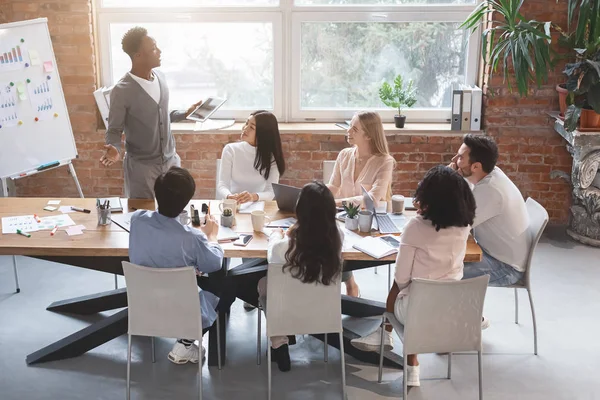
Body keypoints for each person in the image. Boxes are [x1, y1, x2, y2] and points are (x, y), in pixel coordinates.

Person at [350, 165, 476, 387]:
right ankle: (388, 339)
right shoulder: (465, 226)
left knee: (400, 289)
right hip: (453, 309)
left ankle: (387, 335)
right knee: (421, 291)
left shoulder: (416, 227)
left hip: (416, 312)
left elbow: (401, 278)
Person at [129, 167, 223, 364]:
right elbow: (214, 264)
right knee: (221, 280)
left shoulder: (137, 220)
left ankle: (185, 342)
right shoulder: (191, 237)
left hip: (143, 305)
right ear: (186, 202)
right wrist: (211, 236)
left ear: (156, 194)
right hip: (183, 310)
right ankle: (186, 342)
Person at [101, 26, 203, 199]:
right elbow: (114, 129)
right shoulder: (122, 90)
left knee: (175, 211)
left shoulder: (161, 77)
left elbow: (161, 115)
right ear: (138, 56)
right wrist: (115, 148)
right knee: (142, 214)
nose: (160, 51)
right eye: (154, 48)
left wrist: (185, 114)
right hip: (142, 167)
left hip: (171, 160)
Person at [257, 181, 343, 372]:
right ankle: (280, 340)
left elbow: (271, 254)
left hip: (288, 312)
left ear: (299, 211)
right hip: (324, 312)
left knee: (265, 284)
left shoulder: (284, 247)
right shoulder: (338, 238)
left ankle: (279, 341)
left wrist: (277, 235)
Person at [449, 135, 531, 298]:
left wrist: (447, 179)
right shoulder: (487, 174)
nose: (454, 160)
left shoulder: (491, 190)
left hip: (505, 267)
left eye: (460, 157)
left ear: (476, 166)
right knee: (441, 264)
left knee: (442, 274)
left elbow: (455, 224)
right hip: (491, 253)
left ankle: (465, 320)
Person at [327, 111, 394, 298]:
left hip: (370, 224)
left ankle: (348, 287)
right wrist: (317, 194)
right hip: (342, 218)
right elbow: (333, 185)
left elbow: (371, 199)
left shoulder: (385, 162)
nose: (348, 131)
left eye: (354, 129)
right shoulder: (344, 155)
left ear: (368, 135)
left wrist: (334, 203)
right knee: (329, 241)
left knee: (336, 243)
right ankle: (345, 286)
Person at [217, 110, 286, 203]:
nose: (245, 128)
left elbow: (271, 192)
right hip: (234, 204)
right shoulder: (230, 150)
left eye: (252, 127)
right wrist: (229, 196)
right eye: (246, 123)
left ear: (263, 134)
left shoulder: (271, 157)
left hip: (258, 207)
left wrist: (252, 197)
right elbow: (222, 184)